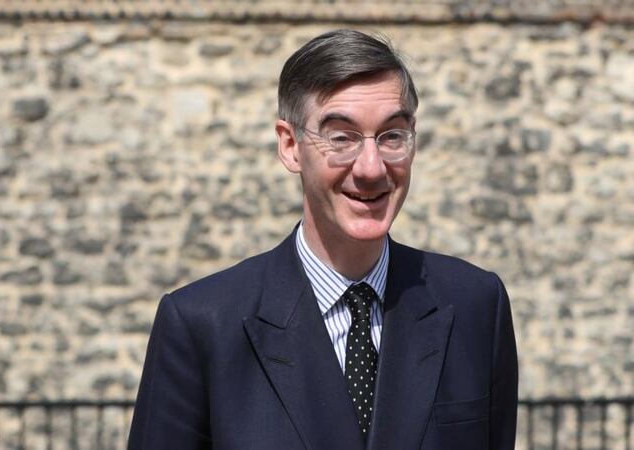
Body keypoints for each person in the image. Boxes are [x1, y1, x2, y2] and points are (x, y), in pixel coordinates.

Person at [128, 29, 517, 450]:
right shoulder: (203, 325)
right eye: (341, 138)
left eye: (391, 136)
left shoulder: (476, 305)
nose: (371, 167)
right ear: (290, 145)